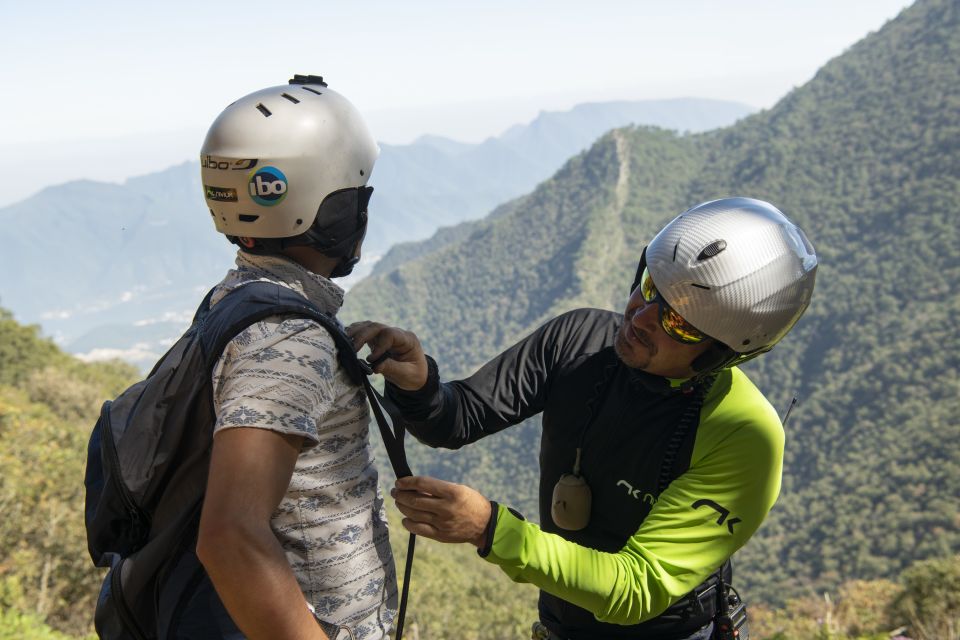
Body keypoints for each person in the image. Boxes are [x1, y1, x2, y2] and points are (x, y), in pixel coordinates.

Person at [348, 197, 818, 640]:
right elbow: (459, 419)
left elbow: (638, 589)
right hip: (558, 622)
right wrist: (420, 385)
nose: (641, 316)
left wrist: (490, 528)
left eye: (678, 323)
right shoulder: (580, 341)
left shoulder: (743, 436)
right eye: (651, 286)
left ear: (721, 353)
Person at [191, 75, 396, 640]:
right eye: (357, 197)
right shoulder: (288, 337)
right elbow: (230, 535)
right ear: (329, 208)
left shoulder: (233, 300)